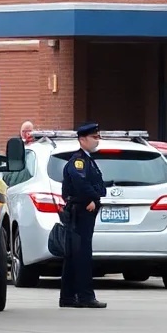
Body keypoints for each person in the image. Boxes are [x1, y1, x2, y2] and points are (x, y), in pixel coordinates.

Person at [59, 122, 107, 309]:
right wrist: (91, 198)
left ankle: (69, 297)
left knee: (75, 255)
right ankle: (85, 297)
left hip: (83, 211)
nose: (97, 140)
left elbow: (98, 184)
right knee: (81, 255)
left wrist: (96, 195)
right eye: (94, 137)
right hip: (80, 212)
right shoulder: (78, 161)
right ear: (82, 139)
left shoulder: (88, 160)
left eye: (98, 137)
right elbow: (80, 183)